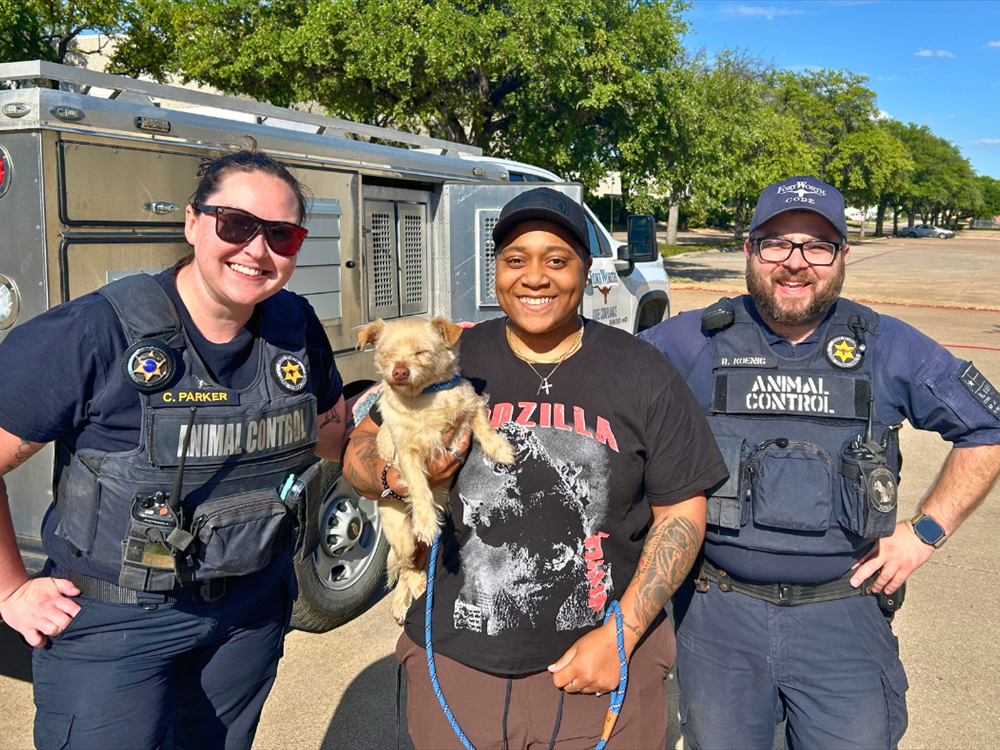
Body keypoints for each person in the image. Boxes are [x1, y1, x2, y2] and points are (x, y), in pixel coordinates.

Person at [343, 187, 729, 749]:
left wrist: (622, 635)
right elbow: (359, 448)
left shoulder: (642, 370)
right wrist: (391, 477)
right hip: (456, 661)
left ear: (586, 270)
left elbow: (681, 512)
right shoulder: (450, 354)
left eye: (556, 260)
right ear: (497, 270)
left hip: (600, 664)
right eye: (516, 260)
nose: (534, 277)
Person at [0, 150, 348, 750]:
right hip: (115, 623)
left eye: (281, 235)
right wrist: (9, 590)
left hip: (247, 617)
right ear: (192, 222)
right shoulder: (94, 332)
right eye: (235, 224)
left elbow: (331, 434)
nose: (256, 250)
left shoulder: (294, 325)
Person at [639, 175, 1000, 750]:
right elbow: (598, 395)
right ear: (749, 250)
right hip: (719, 618)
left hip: (844, 619)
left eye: (817, 246)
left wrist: (924, 533)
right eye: (776, 243)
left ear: (843, 256)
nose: (795, 262)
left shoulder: (886, 345)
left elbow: (987, 427)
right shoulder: (689, 341)